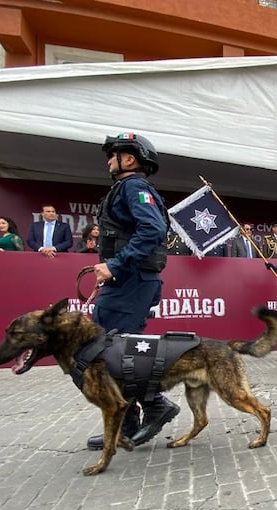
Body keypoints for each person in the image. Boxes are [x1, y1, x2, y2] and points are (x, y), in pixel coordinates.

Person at [85, 132, 180, 451]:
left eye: (114, 155)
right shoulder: (125, 188)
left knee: (112, 352)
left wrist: (116, 265)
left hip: (131, 281)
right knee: (112, 351)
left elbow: (152, 230)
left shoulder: (134, 187)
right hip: (127, 280)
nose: (108, 160)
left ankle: (154, 406)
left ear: (129, 159)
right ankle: (126, 425)